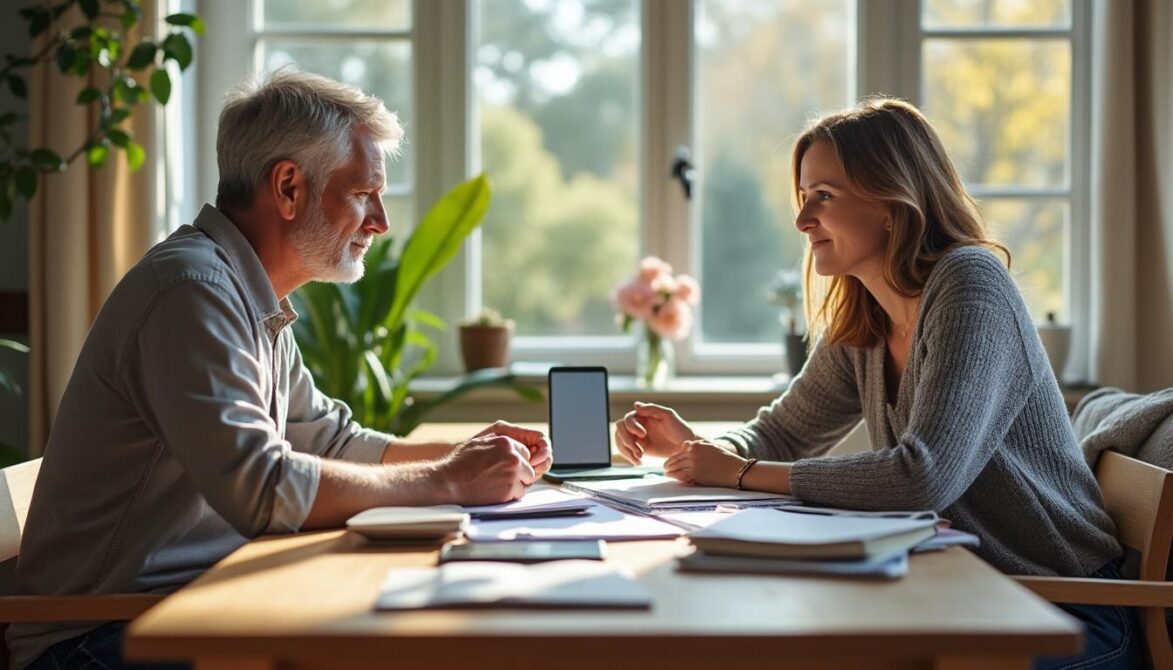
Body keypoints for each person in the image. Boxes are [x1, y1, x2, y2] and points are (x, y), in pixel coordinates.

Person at [9, 71, 551, 670]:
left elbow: (329, 441)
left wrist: (473, 455)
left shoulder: (246, 292)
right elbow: (263, 488)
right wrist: (449, 480)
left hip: (192, 605)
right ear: (289, 187)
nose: (380, 221)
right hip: (99, 637)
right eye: (364, 193)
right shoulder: (192, 291)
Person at [614, 99, 1142, 670]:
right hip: (960, 599)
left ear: (892, 200)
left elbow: (922, 477)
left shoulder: (971, 285)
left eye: (824, 195)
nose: (802, 220)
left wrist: (738, 473)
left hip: (1064, 611)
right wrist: (702, 449)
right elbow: (783, 434)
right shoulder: (867, 313)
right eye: (803, 196)